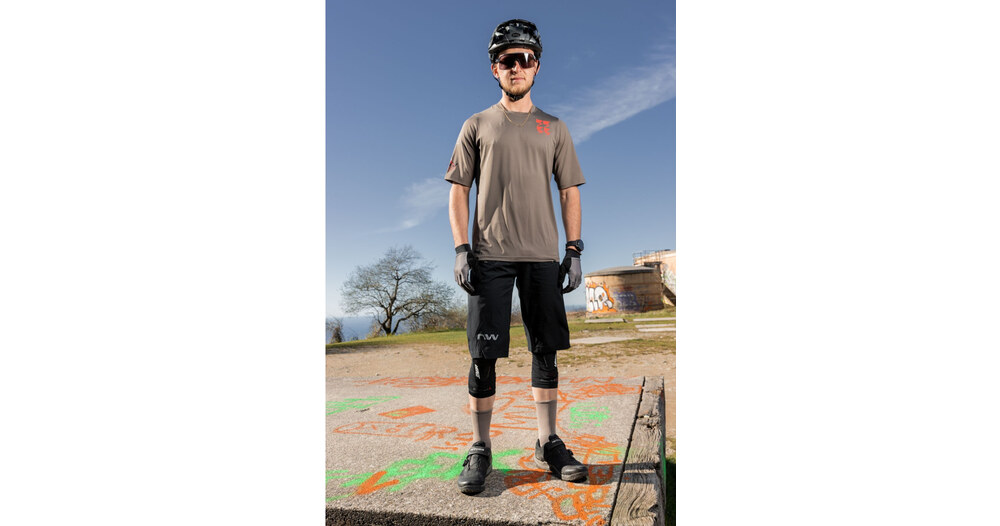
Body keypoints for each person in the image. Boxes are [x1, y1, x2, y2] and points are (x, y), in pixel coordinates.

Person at [445, 18, 587, 495]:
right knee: (483, 355)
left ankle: (548, 442)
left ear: (537, 66)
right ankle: (480, 447)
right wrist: (461, 249)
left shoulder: (555, 128)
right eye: (507, 59)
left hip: (542, 257)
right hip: (489, 256)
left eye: (525, 58)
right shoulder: (476, 125)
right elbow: (459, 190)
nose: (516, 66)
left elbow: (569, 190)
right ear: (495, 68)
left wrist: (573, 249)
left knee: (545, 351)